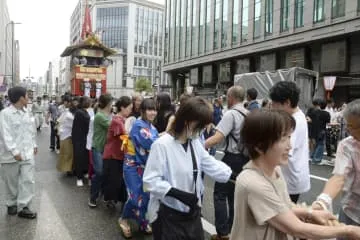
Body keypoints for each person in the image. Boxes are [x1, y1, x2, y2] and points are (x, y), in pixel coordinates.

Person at [231, 109, 360, 240]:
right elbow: (297, 229)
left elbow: (282, 208)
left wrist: (309, 213)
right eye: (282, 139)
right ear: (259, 146)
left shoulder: (275, 170)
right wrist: (348, 230)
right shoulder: (253, 183)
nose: (290, 146)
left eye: (289, 137)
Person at [143, 97, 235, 240]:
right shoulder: (162, 145)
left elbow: (209, 163)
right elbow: (150, 181)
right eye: (199, 126)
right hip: (168, 214)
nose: (202, 130)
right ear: (187, 121)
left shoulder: (194, 143)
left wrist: (235, 176)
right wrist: (176, 193)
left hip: (192, 213)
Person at [205, 86, 249, 240]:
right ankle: (232, 230)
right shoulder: (248, 113)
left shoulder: (231, 114)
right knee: (234, 195)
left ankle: (223, 233)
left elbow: (218, 137)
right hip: (246, 159)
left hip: (232, 158)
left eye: (227, 97)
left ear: (231, 97)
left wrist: (200, 146)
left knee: (220, 194)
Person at [312, 99, 360, 238]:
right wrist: (323, 200)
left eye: (352, 126)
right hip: (352, 210)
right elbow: (339, 176)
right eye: (347, 125)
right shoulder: (347, 145)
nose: (348, 130)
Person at [119, 98, 158, 238]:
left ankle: (142, 220)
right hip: (132, 166)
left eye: (154, 109)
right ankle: (123, 219)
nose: (153, 112)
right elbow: (152, 143)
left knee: (146, 196)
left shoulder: (153, 128)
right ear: (142, 111)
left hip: (146, 167)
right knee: (135, 196)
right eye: (149, 109)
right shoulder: (138, 125)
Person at [269, 81, 310, 204]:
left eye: (275, 104)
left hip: (289, 180)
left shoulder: (293, 122)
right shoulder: (298, 115)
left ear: (287, 102)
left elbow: (281, 153)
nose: (273, 107)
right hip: (293, 176)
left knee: (282, 216)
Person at [0, 86, 38, 219]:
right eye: (27, 95)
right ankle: (11, 203)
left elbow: (31, 130)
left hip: (27, 153)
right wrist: (14, 151)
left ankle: (24, 206)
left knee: (28, 180)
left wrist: (34, 144)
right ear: (21, 98)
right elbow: (6, 134)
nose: (28, 98)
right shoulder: (5, 114)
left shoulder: (27, 112)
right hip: (10, 155)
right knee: (11, 181)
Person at [102, 96, 132, 207]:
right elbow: (125, 136)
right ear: (122, 108)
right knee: (114, 180)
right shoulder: (117, 121)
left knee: (118, 180)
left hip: (118, 154)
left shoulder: (123, 120)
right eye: (129, 108)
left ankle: (119, 200)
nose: (130, 111)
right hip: (112, 155)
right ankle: (110, 200)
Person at [88, 94, 112, 208]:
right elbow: (113, 127)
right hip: (98, 147)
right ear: (108, 104)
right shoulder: (100, 116)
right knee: (99, 172)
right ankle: (93, 197)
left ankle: (103, 195)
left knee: (105, 173)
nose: (112, 105)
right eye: (111, 103)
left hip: (106, 148)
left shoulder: (108, 114)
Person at [72, 96, 91, 187]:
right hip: (79, 139)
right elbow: (87, 122)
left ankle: (84, 172)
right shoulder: (79, 112)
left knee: (84, 157)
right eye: (88, 101)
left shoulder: (85, 111)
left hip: (84, 138)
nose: (89, 102)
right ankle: (79, 178)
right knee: (79, 158)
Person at [57, 95, 75, 174]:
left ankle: (67, 169)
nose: (64, 103)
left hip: (65, 134)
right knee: (68, 153)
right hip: (67, 135)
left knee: (66, 153)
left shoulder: (66, 112)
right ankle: (68, 169)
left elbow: (59, 121)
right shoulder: (67, 113)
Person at [311, 99, 331, 165]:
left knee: (315, 144)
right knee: (320, 144)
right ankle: (317, 159)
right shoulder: (326, 114)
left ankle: (312, 157)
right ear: (326, 106)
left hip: (314, 129)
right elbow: (328, 122)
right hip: (321, 130)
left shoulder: (315, 112)